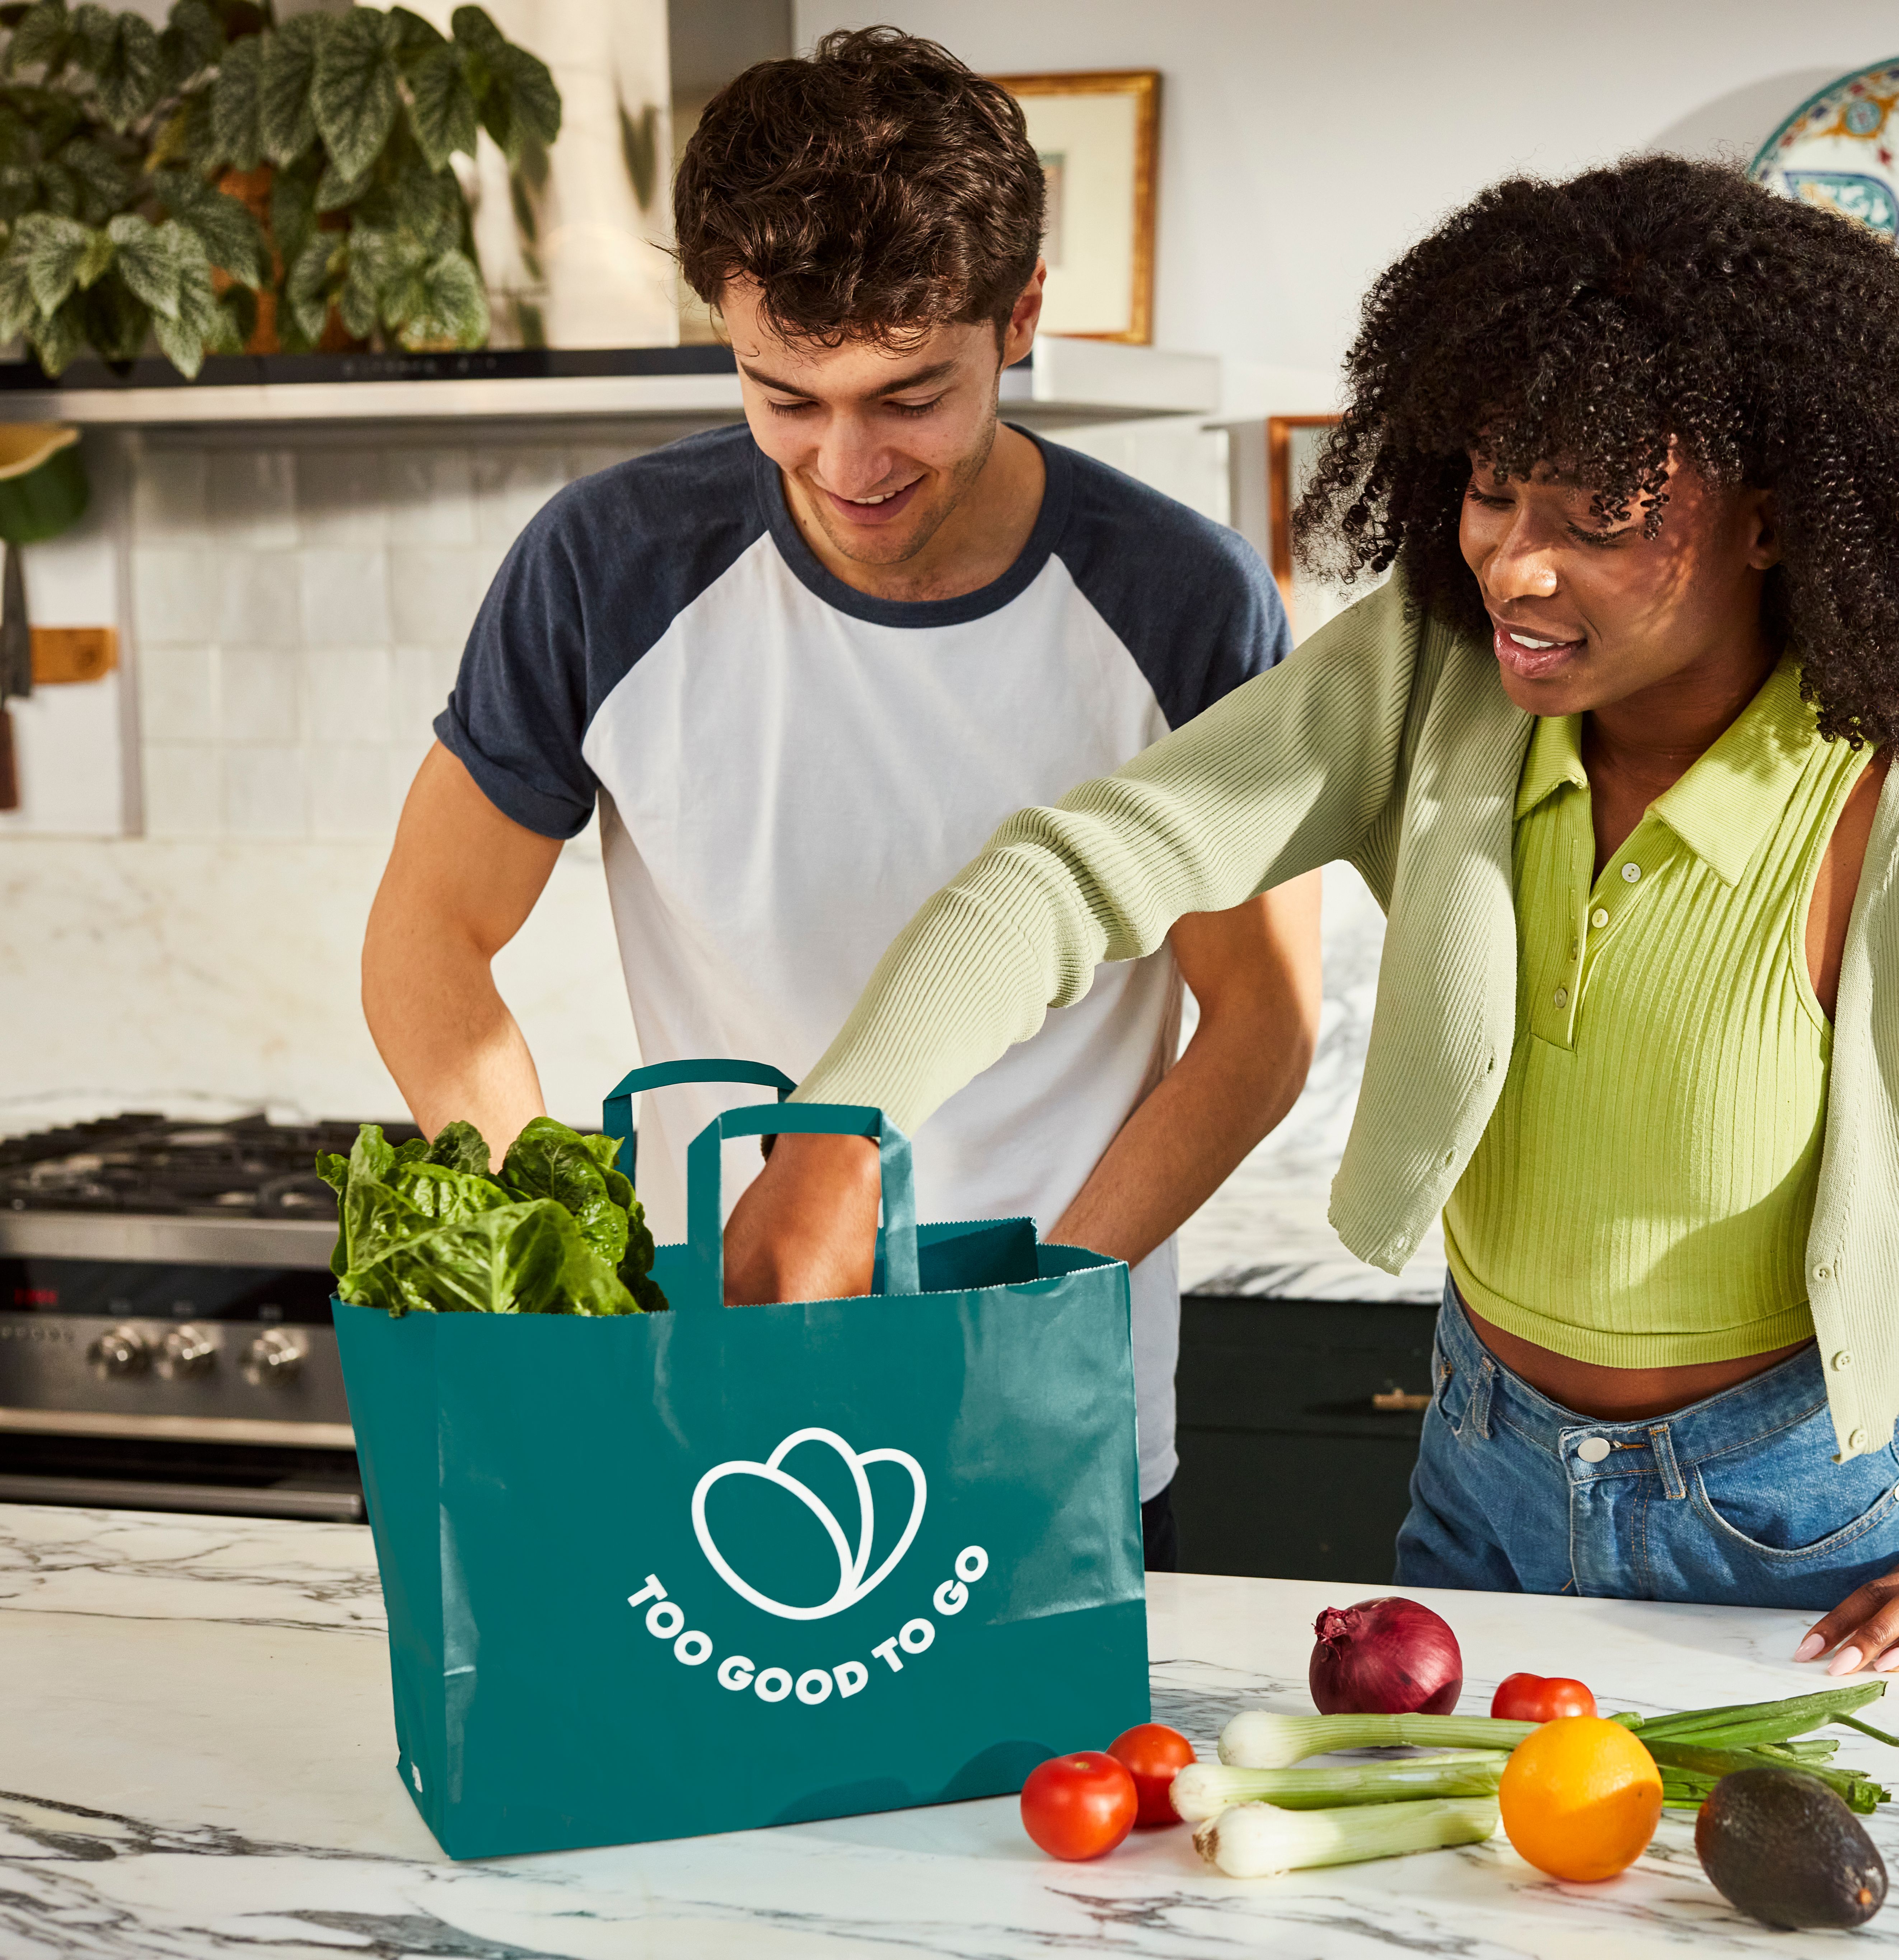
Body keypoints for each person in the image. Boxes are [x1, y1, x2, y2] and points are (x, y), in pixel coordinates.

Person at [730, 156, 1899, 1673]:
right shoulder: (1427, 685)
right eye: (1494, 494)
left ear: (1770, 523)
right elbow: (1085, 865)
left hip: (1791, 1519)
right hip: (1477, 1469)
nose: (1517, 561)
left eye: (1598, 517)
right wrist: (837, 1125)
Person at [359, 29, 1320, 1572]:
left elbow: (1259, 1024)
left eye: (910, 394)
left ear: (1020, 318)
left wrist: (1027, 1313)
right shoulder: (608, 565)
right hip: (713, 1381)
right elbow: (428, 935)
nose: (846, 460)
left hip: (1047, 1403)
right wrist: (566, 1283)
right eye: (782, 395)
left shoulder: (1180, 599)